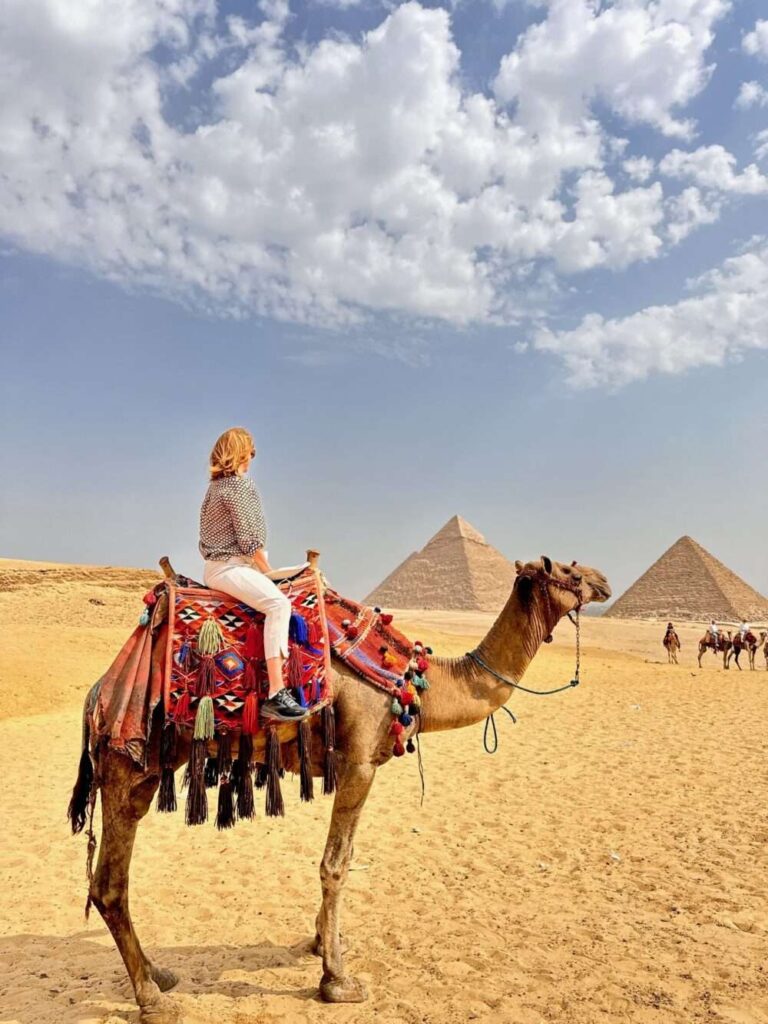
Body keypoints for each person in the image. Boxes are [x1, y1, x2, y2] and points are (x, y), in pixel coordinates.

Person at [199, 427, 307, 722]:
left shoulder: (214, 488)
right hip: (231, 567)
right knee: (279, 604)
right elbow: (250, 540)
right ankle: (277, 692)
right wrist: (271, 573)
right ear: (240, 453)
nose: (252, 456)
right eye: (250, 450)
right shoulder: (238, 486)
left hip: (220, 567)